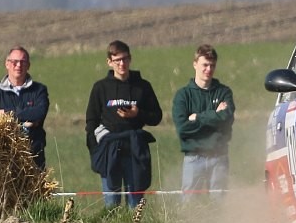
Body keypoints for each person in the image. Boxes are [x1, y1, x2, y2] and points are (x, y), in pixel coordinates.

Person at [85, 40, 164, 209]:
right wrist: (95, 149)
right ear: (109, 62)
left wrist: (138, 114)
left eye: (125, 59)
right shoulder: (100, 88)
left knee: (135, 202)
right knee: (111, 202)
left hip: (135, 148)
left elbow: (156, 117)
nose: (122, 64)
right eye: (117, 60)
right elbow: (91, 121)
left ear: (130, 59)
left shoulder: (142, 86)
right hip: (109, 150)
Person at [172, 44, 235, 200]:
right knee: (189, 205)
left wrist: (198, 118)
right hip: (194, 157)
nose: (208, 69)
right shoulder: (183, 95)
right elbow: (183, 128)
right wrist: (215, 116)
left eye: (212, 65)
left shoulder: (224, 92)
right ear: (195, 64)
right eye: (205, 65)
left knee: (219, 204)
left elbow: (226, 120)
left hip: (219, 156)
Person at [0, 46, 51, 169]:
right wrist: (27, 120)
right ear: (7, 64)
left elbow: (39, 113)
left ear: (28, 65)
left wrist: (7, 114)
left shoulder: (39, 90)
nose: (18, 65)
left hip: (34, 156)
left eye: (23, 62)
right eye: (14, 62)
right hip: (2, 158)